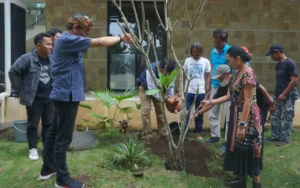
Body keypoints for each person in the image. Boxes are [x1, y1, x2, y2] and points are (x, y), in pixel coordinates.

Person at [38, 12, 133, 188]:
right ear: (75, 28)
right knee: (63, 138)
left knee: (53, 133)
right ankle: (62, 179)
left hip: (64, 94)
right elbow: (101, 42)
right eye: (85, 32)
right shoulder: (67, 39)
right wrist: (121, 38)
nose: (86, 35)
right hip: (66, 95)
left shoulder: (69, 41)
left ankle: (47, 169)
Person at [202, 46, 263, 188]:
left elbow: (248, 101)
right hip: (238, 114)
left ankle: (256, 183)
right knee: (240, 148)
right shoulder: (237, 73)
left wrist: (242, 125)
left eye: (230, 60)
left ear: (238, 59)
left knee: (251, 149)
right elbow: (229, 96)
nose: (228, 63)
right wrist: (210, 101)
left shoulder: (248, 75)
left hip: (248, 118)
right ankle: (241, 180)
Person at [9, 33, 54, 161]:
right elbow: (13, 71)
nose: (51, 47)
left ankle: (47, 148)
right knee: (33, 125)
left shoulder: (52, 59)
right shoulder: (27, 59)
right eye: (48, 44)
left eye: (51, 44)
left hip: (50, 98)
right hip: (34, 99)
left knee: (48, 124)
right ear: (39, 45)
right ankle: (33, 149)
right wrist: (17, 89)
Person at [265, 44, 298, 146]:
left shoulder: (290, 63)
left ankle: (285, 138)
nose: (272, 57)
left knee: (287, 117)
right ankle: (275, 136)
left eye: (272, 54)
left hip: (287, 94)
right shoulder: (278, 64)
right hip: (278, 93)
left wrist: (284, 94)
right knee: (275, 115)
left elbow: (294, 81)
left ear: (278, 52)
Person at [139, 58, 177, 138]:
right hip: (146, 88)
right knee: (145, 111)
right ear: (160, 67)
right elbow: (151, 88)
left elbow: (171, 86)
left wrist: (171, 99)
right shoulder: (151, 69)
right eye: (165, 71)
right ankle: (147, 134)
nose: (167, 74)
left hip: (159, 90)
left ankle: (163, 133)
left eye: (169, 72)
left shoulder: (172, 71)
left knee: (161, 112)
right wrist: (164, 99)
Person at [207, 29, 231, 143]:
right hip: (215, 85)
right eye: (214, 41)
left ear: (224, 41)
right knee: (213, 112)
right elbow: (212, 68)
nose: (216, 43)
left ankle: (228, 140)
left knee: (229, 115)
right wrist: (209, 85)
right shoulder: (213, 52)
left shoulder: (229, 52)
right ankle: (215, 136)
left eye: (218, 41)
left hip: (226, 87)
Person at [184, 42, 211, 140]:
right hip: (188, 91)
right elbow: (183, 75)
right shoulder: (187, 61)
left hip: (201, 91)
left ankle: (198, 131)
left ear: (201, 52)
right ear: (191, 52)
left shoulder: (205, 61)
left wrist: (207, 90)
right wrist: (180, 90)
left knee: (199, 112)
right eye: (194, 52)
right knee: (186, 112)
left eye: (197, 52)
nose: (195, 53)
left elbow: (208, 77)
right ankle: (184, 131)